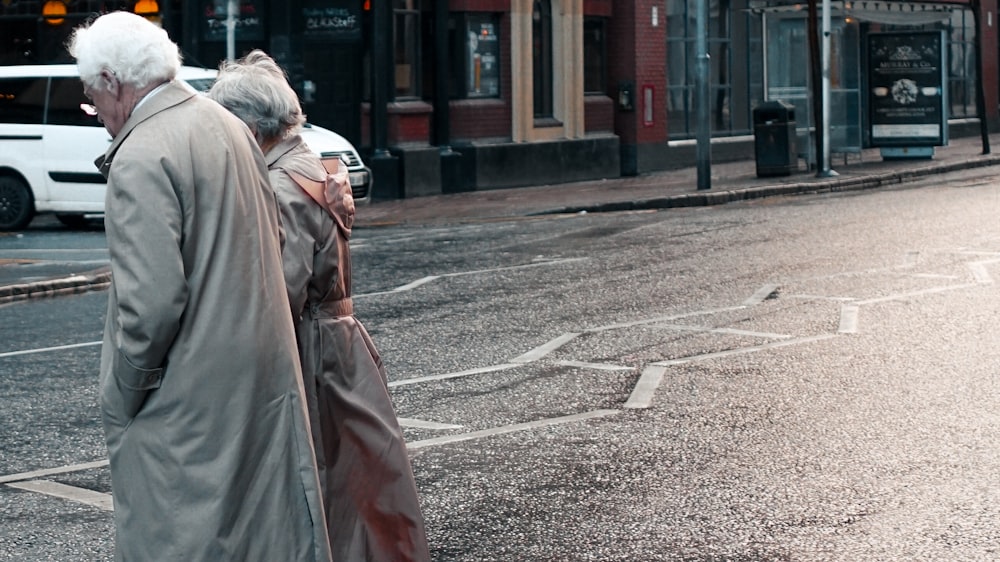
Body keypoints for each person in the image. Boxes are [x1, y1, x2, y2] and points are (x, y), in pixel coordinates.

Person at [68, 14, 331, 562]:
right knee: (258, 536)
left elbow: (151, 306)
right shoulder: (226, 123)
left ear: (114, 80)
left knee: (180, 538)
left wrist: (123, 395)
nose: (97, 115)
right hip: (256, 380)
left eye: (92, 97)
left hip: (184, 401)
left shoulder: (142, 154)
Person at [209, 50, 432, 562]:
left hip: (310, 350)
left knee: (321, 484)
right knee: (357, 485)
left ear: (250, 123)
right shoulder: (308, 163)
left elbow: (278, 293)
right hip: (337, 344)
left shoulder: (282, 184)